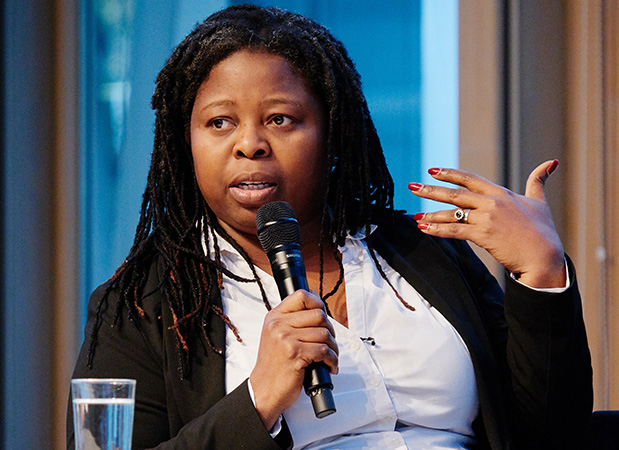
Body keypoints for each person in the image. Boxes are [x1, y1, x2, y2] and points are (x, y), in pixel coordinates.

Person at [67, 4, 592, 449]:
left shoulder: (423, 254)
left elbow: (550, 433)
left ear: (331, 134)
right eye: (219, 122)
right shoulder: (142, 304)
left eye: (280, 119)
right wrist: (258, 399)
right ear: (187, 145)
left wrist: (542, 275)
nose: (249, 144)